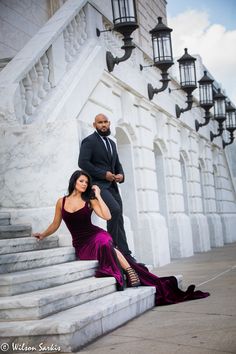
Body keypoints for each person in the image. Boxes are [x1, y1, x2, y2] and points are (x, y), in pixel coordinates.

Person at [33, 170, 210, 305]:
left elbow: (108, 216)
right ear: (74, 181)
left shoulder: (90, 200)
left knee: (104, 242)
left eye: (87, 182)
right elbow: (55, 224)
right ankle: (129, 270)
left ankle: (130, 272)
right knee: (107, 246)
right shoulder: (61, 201)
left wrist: (99, 195)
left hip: (95, 235)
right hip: (81, 244)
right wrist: (43, 234)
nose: (84, 184)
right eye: (81, 181)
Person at [78, 113, 133, 259]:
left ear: (109, 123)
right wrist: (103, 174)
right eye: (100, 122)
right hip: (98, 186)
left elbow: (117, 165)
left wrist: (121, 175)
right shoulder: (89, 141)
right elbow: (83, 163)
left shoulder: (112, 143)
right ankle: (113, 249)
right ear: (94, 125)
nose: (103, 125)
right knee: (114, 211)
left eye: (105, 122)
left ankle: (125, 253)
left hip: (112, 186)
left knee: (118, 217)